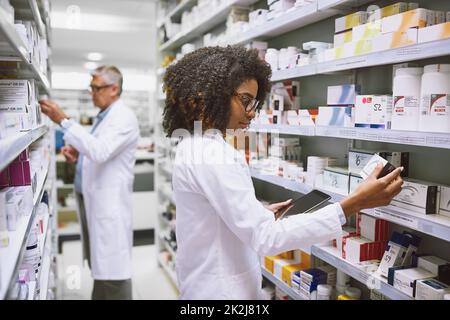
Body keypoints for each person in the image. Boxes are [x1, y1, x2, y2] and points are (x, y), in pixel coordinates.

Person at [162, 46, 404, 300]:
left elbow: (212, 215)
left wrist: (257, 214)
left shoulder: (195, 143)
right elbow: (266, 238)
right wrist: (354, 204)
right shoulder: (211, 154)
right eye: (245, 100)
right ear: (211, 94)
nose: (252, 112)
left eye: (254, 103)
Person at [39, 65, 139, 300]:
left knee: (113, 269)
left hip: (109, 205)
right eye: (91, 87)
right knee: (101, 266)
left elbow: (101, 150)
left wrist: (63, 120)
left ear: (114, 89)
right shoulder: (104, 117)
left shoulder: (123, 116)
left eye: (96, 87)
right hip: (93, 200)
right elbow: (97, 150)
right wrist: (79, 155)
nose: (92, 92)